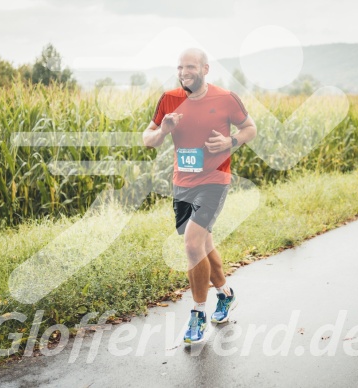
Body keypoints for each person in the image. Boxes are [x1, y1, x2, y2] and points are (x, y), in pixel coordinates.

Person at [143, 48, 257, 344]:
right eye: (180, 68)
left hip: (214, 181)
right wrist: (163, 131)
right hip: (183, 184)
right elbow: (148, 139)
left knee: (191, 243)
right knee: (203, 246)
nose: (184, 72)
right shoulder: (169, 99)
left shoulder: (225, 98)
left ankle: (197, 314)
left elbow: (250, 128)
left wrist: (231, 141)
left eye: (190, 67)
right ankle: (226, 294)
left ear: (205, 69)